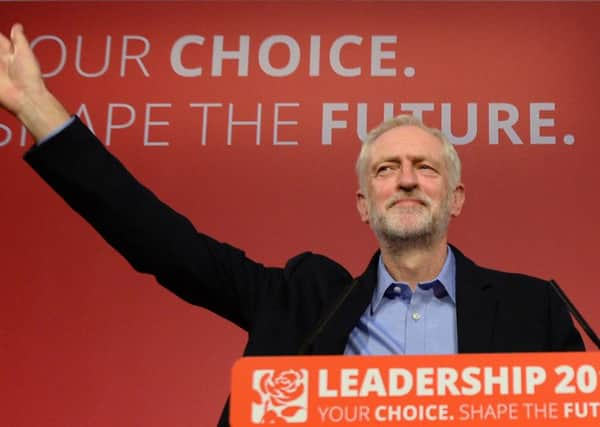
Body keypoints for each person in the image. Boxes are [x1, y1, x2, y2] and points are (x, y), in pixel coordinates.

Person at [0, 24, 584, 426]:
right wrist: (38, 110)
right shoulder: (303, 299)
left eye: (424, 168)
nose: (406, 179)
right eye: (387, 168)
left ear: (455, 198)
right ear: (364, 203)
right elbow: (163, 242)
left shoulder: (534, 309)